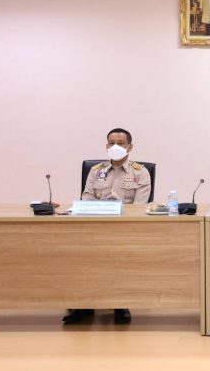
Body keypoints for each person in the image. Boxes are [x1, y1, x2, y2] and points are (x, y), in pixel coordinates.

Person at [64, 127, 151, 326]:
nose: (115, 146)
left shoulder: (140, 172)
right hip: (95, 227)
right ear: (106, 146)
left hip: (125, 229)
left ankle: (120, 304)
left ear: (130, 147)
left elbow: (140, 207)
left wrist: (117, 208)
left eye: (120, 143)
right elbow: (86, 199)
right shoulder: (96, 171)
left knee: (117, 253)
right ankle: (84, 305)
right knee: (77, 252)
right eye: (111, 143)